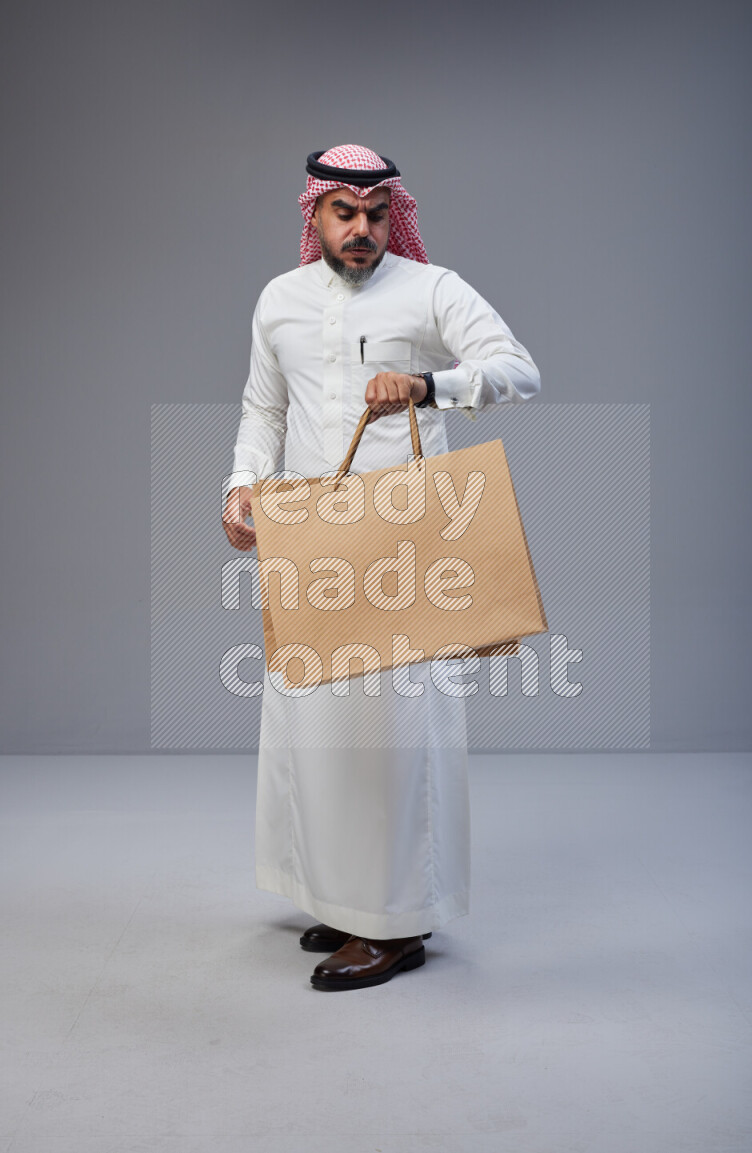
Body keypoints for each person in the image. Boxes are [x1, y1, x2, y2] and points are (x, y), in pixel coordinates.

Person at [222, 144, 540, 991]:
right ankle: (345, 897)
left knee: (395, 736)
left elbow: (519, 369)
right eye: (343, 212)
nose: (361, 230)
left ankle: (397, 926)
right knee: (317, 724)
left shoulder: (431, 288)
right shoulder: (279, 301)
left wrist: (429, 387)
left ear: (391, 212)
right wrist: (241, 486)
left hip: (406, 543)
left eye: (374, 213)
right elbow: (264, 407)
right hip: (311, 536)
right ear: (313, 214)